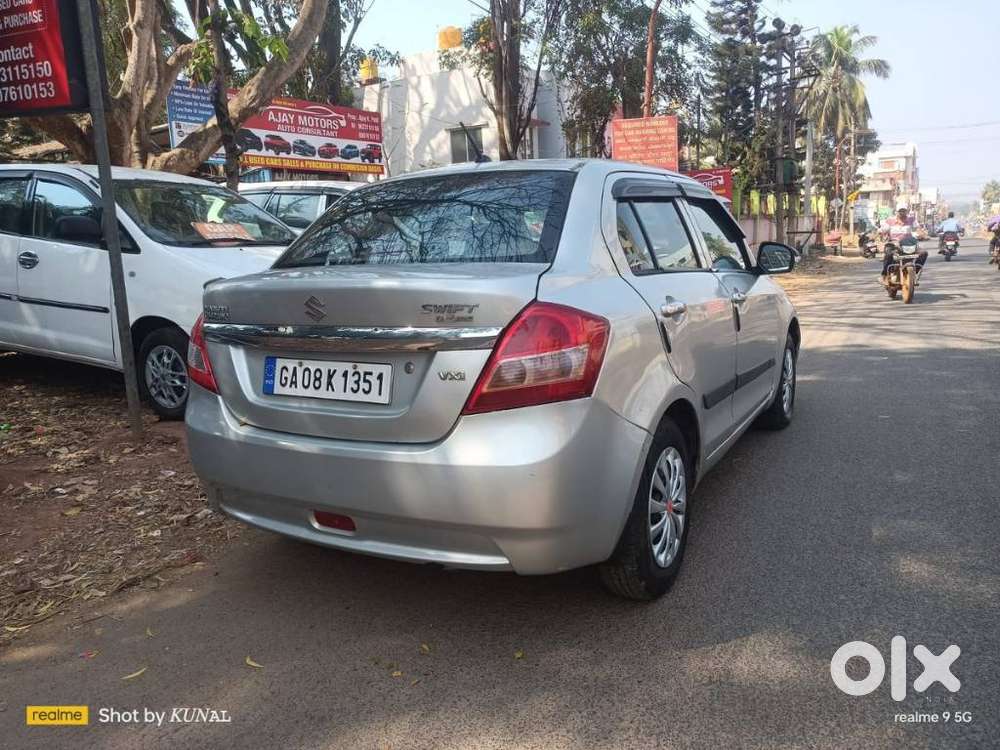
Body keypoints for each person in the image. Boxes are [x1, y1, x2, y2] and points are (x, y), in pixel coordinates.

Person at [881, 207, 928, 282]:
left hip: (909, 244)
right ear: (897, 212)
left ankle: (914, 272)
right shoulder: (890, 220)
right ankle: (885, 274)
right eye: (900, 211)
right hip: (895, 244)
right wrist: (882, 233)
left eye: (904, 211)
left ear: (907, 212)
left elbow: (918, 228)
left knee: (924, 253)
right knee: (888, 254)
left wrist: (922, 234)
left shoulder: (911, 219)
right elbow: (883, 230)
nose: (902, 213)